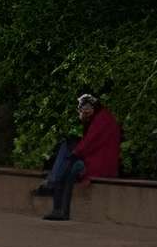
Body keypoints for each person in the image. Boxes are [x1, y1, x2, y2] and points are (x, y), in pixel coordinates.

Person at [35, 91, 122, 222]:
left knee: (68, 164)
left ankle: (57, 202)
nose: (83, 114)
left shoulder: (102, 119)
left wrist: (74, 153)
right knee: (66, 161)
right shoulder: (102, 117)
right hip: (98, 161)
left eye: (84, 110)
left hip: (98, 165)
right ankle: (58, 205)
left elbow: (89, 143)